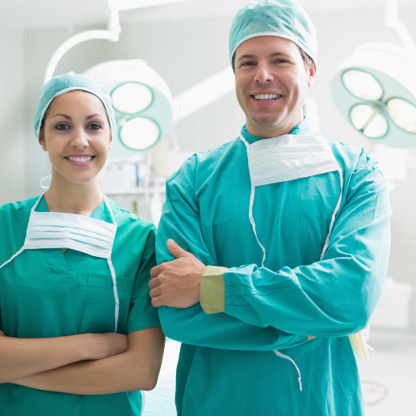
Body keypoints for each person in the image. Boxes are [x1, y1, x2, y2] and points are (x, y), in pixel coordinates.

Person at [149, 1, 392, 415]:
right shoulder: (192, 181)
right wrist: (310, 324)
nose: (262, 74)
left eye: (280, 59)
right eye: (247, 62)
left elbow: (350, 298)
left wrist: (212, 286)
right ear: (234, 75)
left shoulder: (356, 173)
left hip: (319, 401)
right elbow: (178, 315)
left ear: (309, 71)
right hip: (218, 403)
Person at [0, 72, 165, 416]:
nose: (79, 140)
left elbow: (142, 370)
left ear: (111, 137)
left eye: (94, 126)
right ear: (41, 137)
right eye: (62, 126)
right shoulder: (4, 228)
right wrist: (91, 345)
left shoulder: (140, 241)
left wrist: (17, 371)